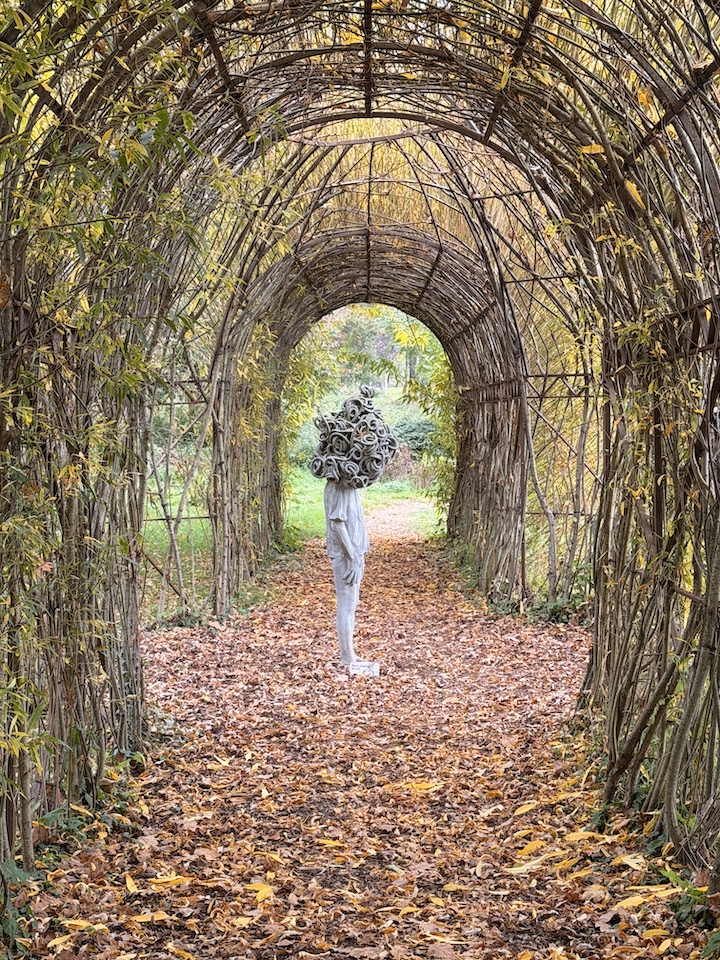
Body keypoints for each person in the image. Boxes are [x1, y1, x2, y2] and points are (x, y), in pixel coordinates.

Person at [324, 477, 370, 666]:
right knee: (347, 604)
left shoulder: (350, 484)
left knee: (352, 603)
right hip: (347, 555)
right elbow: (337, 525)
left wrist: (358, 555)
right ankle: (346, 657)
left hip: (356, 553)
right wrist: (351, 557)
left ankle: (350, 653)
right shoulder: (339, 486)